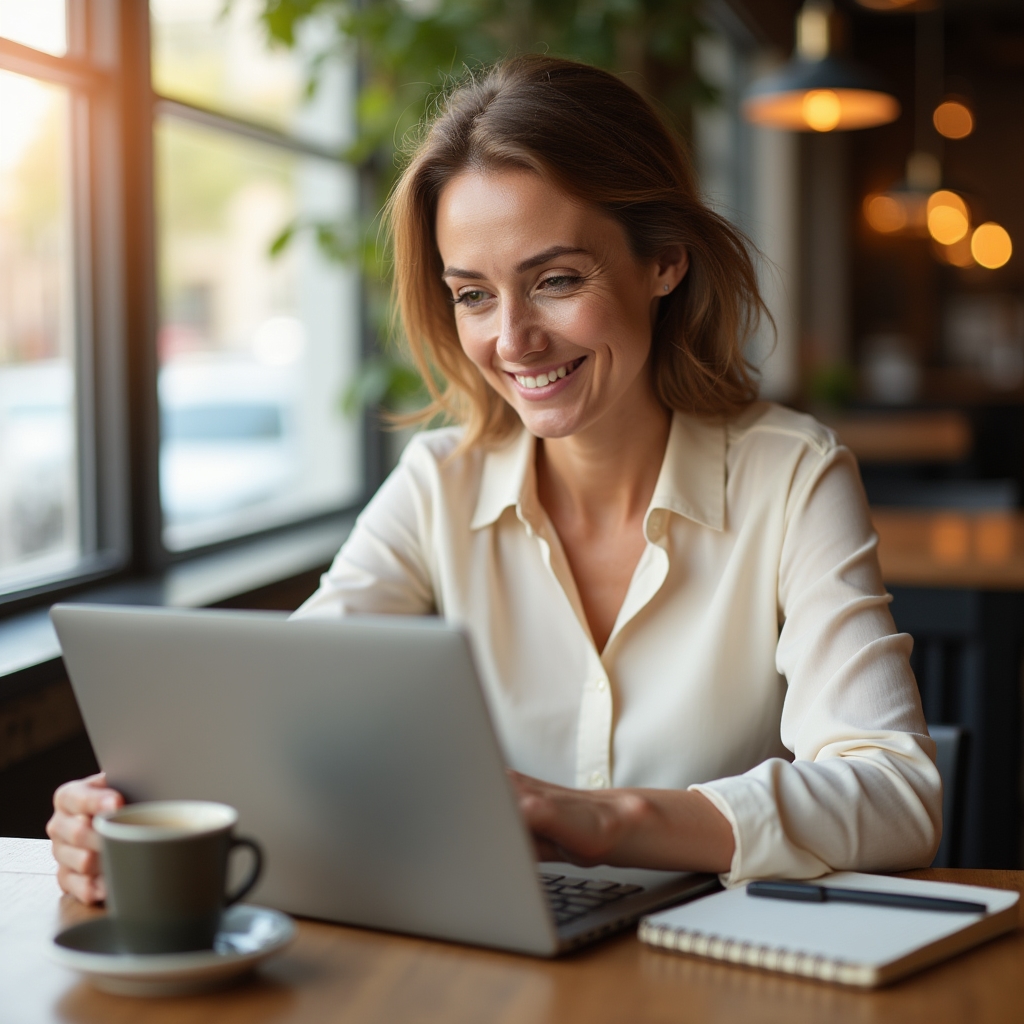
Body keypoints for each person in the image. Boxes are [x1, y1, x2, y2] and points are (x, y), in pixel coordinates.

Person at [48, 55, 941, 907]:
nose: (512, 340)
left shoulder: (792, 476)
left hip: (722, 962)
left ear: (665, 260)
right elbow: (285, 717)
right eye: (473, 294)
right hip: (494, 958)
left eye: (556, 280)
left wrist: (609, 820)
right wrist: (129, 816)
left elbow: (898, 795)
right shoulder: (438, 484)